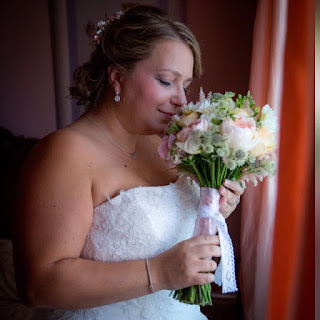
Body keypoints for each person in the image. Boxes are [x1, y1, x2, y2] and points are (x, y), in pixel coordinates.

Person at [13, 5, 245, 320]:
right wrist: (158, 273)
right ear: (117, 78)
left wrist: (213, 208)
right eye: (166, 81)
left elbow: (180, 244)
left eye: (186, 86)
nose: (182, 99)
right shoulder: (65, 152)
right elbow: (38, 285)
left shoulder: (169, 147)